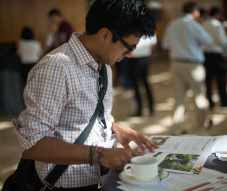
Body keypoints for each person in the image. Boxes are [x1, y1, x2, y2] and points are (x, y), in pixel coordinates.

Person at [16, 0, 159, 190]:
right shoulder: (56, 68)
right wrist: (100, 155)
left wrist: (114, 127)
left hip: (102, 180)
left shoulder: (104, 66)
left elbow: (76, 116)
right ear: (105, 35)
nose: (130, 55)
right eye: (129, 47)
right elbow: (32, 145)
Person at [162, 1, 212, 135]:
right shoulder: (194, 25)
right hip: (192, 64)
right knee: (198, 95)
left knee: (178, 98)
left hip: (176, 63)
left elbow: (166, 44)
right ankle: (202, 125)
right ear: (195, 12)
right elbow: (208, 41)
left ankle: (176, 129)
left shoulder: (172, 24)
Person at [203, 7, 227, 109]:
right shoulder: (217, 24)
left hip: (205, 54)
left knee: (208, 79)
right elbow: (221, 41)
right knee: (221, 79)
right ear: (218, 14)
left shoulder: (204, 23)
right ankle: (224, 101)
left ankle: (210, 101)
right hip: (216, 54)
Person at [128, 35, 157, 116]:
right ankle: (151, 108)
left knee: (136, 85)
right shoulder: (150, 29)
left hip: (134, 59)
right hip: (145, 58)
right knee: (145, 83)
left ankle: (140, 110)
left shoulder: (134, 27)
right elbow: (153, 45)